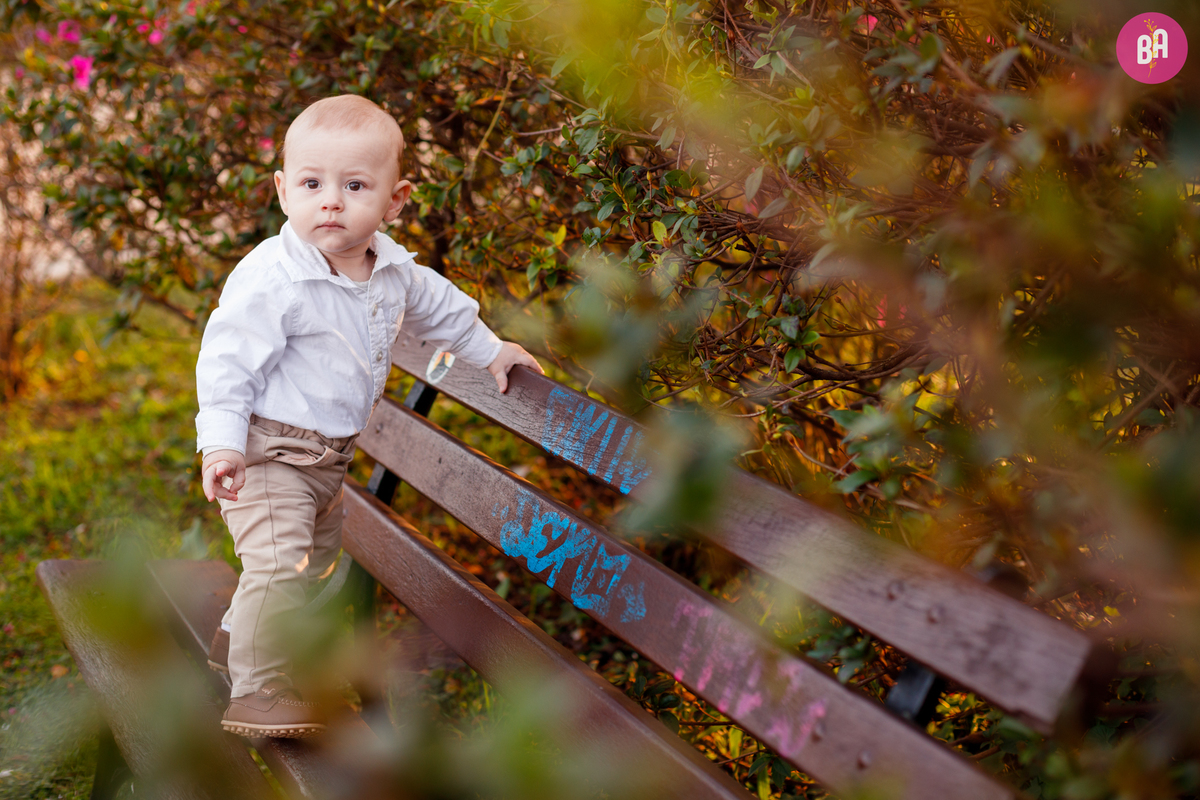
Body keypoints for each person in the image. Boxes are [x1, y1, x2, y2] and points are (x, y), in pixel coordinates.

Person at [195, 95, 542, 738]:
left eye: (355, 186)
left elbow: (443, 310)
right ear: (282, 191)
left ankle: (238, 637)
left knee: (313, 565)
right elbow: (226, 365)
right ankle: (257, 691)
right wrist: (221, 446)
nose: (331, 201)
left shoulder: (392, 270)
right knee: (278, 564)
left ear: (395, 199)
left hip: (328, 463)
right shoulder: (274, 277)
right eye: (311, 183)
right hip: (268, 455)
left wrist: (491, 350)